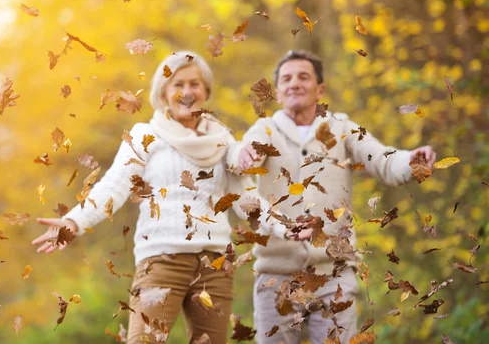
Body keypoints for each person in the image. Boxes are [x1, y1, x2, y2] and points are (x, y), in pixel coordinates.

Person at [31, 51, 288, 344]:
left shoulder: (223, 140)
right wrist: (73, 221)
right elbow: (113, 187)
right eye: (178, 84)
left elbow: (247, 202)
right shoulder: (146, 135)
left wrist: (287, 227)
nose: (187, 92)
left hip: (214, 265)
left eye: (195, 84)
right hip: (161, 261)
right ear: (163, 91)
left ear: (206, 91)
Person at [228, 49, 436, 344]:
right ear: (277, 91)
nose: (294, 84)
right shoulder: (265, 131)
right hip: (276, 277)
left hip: (334, 276)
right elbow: (239, 163)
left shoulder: (340, 128)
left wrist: (412, 160)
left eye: (303, 77)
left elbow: (384, 161)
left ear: (320, 89)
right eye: (286, 79)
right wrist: (243, 155)